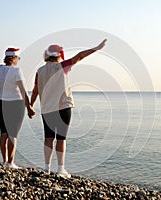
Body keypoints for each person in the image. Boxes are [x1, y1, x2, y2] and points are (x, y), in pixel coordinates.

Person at [29, 39, 107, 178]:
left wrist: (30, 106)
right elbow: (79, 56)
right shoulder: (62, 66)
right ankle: (61, 169)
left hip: (47, 108)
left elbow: (35, 90)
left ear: (46, 55)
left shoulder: (39, 71)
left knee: (48, 138)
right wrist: (96, 48)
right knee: (61, 139)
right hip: (63, 107)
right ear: (59, 55)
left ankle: (46, 168)